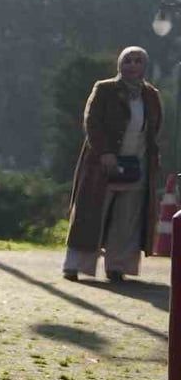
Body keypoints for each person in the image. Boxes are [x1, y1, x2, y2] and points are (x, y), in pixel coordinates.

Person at [63, 46, 162, 282]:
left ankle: (118, 266)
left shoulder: (150, 95)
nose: (132, 65)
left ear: (144, 66)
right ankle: (75, 266)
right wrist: (105, 152)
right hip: (103, 164)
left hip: (136, 165)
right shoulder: (105, 89)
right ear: (120, 64)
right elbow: (92, 122)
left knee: (126, 220)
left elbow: (155, 129)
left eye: (138, 61)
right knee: (90, 215)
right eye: (128, 60)